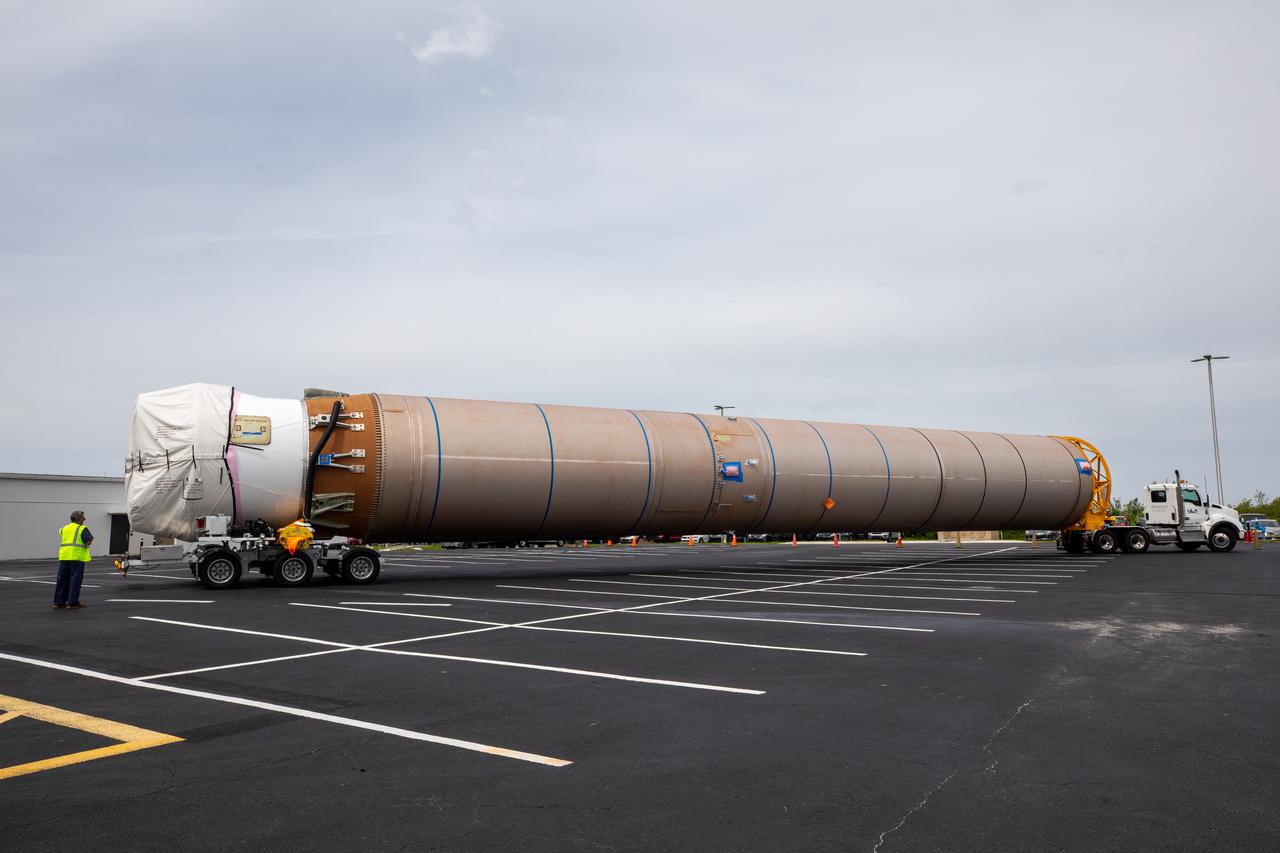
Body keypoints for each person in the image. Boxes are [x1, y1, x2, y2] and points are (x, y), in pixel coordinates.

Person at [54, 510, 94, 609]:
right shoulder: (82, 528)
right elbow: (88, 541)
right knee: (75, 580)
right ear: (78, 519)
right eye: (83, 517)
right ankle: (72, 602)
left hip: (64, 556)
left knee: (62, 580)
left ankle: (59, 602)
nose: (84, 519)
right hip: (77, 556)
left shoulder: (63, 529)